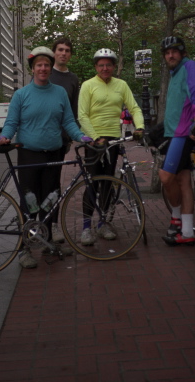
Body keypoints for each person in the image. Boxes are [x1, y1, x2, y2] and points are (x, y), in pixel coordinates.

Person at [0, 46, 92, 268]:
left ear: (51, 68)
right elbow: (11, 122)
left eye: (46, 65)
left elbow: (68, 121)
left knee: (51, 199)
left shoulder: (59, 93)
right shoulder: (21, 95)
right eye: (39, 65)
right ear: (32, 69)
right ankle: (25, 249)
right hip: (28, 154)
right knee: (29, 201)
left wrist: (80, 136)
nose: (43, 68)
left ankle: (48, 242)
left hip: (53, 154)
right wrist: (5, 137)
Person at [78, 48, 144, 246]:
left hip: (114, 140)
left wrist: (140, 126)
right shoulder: (88, 85)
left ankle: (104, 223)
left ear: (114, 66)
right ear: (96, 67)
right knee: (92, 183)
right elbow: (82, 115)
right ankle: (86, 227)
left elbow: (134, 108)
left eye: (108, 65)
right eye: (101, 65)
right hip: (94, 142)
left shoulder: (121, 85)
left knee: (108, 183)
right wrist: (95, 137)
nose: (105, 68)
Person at [158, 36, 195, 247]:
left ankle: (176, 218)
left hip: (184, 133)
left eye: (174, 51)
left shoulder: (189, 66)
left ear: (182, 52)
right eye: (167, 52)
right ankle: (186, 231)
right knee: (183, 181)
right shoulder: (174, 73)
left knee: (165, 177)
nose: (170, 55)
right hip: (173, 133)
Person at [49, 36, 80, 243]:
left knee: (53, 185)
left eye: (67, 50)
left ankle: (53, 225)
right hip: (38, 139)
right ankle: (33, 225)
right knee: (35, 185)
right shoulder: (44, 72)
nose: (63, 53)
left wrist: (72, 136)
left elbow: (74, 111)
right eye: (60, 49)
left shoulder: (73, 79)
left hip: (60, 141)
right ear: (54, 52)